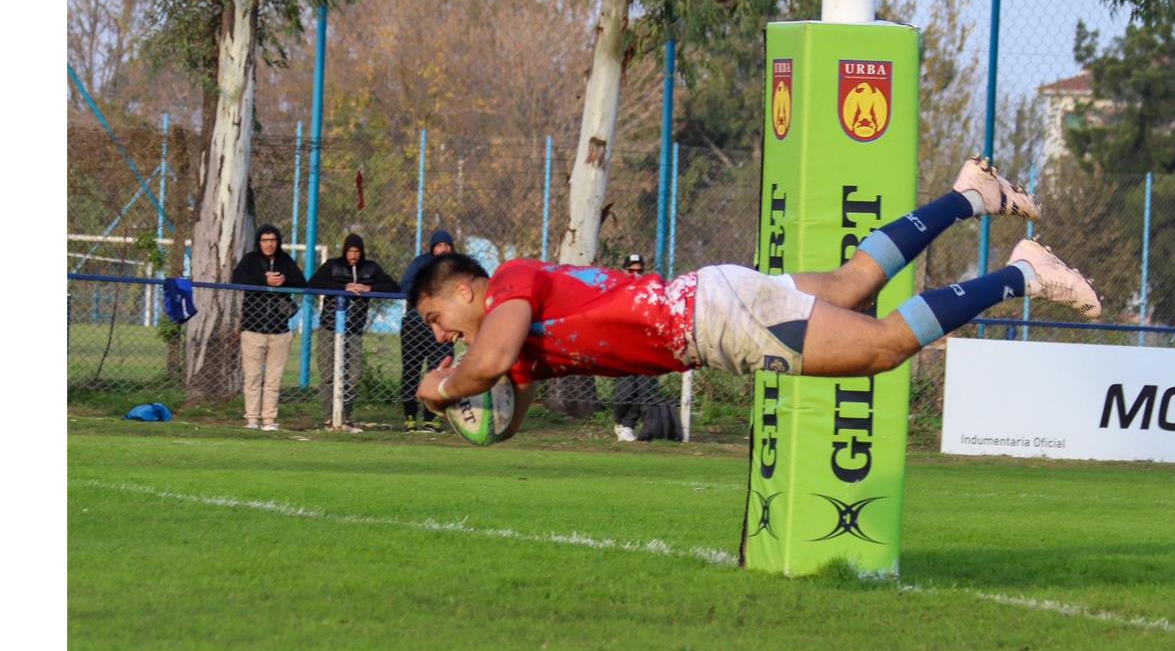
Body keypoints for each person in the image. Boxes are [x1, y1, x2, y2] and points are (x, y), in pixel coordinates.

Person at [409, 157, 1100, 442]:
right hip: (709, 298)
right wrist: (469, 404)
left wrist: (441, 386)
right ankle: (969, 194)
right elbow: (503, 410)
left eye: (438, 320)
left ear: (467, 289)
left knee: (883, 347)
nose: (442, 335)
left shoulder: (510, 288)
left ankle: (1022, 274)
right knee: (850, 284)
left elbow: (488, 357)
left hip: (712, 321)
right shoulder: (509, 337)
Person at [308, 233, 399, 431]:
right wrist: (344, 287)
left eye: (357, 251)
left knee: (353, 375)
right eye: (350, 251)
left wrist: (369, 288)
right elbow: (313, 284)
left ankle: (345, 416)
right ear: (344, 251)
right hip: (330, 327)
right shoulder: (332, 266)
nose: (353, 255)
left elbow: (394, 287)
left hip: (354, 330)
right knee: (328, 374)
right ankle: (328, 417)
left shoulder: (370, 268)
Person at [231, 224, 307, 431]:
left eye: (273, 240)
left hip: (279, 330)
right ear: (259, 242)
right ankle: (252, 419)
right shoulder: (250, 261)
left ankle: (269, 419)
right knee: (253, 377)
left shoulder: (285, 261)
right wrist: (263, 280)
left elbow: (302, 283)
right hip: (253, 329)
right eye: (265, 240)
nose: (269, 244)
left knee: (274, 378)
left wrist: (283, 282)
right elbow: (237, 278)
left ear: (278, 242)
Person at [398, 229, 458, 432]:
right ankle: (410, 417)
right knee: (411, 370)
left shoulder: (458, 266)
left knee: (439, 371)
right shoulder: (421, 263)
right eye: (440, 245)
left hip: (445, 325)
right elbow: (406, 286)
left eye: (447, 245)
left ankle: (431, 418)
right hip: (417, 324)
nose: (444, 249)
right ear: (432, 248)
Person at [611, 253, 665, 442]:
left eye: (639, 271)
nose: (635, 274)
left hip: (645, 345)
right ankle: (619, 421)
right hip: (623, 346)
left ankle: (628, 426)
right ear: (624, 271)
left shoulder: (650, 292)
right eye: (631, 270)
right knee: (625, 389)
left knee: (643, 388)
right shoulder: (617, 291)